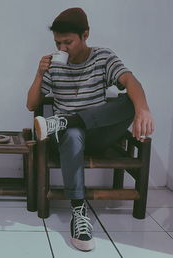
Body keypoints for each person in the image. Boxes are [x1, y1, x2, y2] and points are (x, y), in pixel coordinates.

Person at [26, 7, 154, 251]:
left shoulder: (103, 57)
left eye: (68, 42)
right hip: (66, 138)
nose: (62, 48)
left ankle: (67, 120)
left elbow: (130, 81)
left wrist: (143, 109)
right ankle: (78, 211)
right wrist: (39, 74)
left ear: (85, 35)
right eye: (57, 43)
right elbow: (31, 104)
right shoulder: (54, 64)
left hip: (98, 135)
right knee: (73, 133)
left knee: (129, 101)